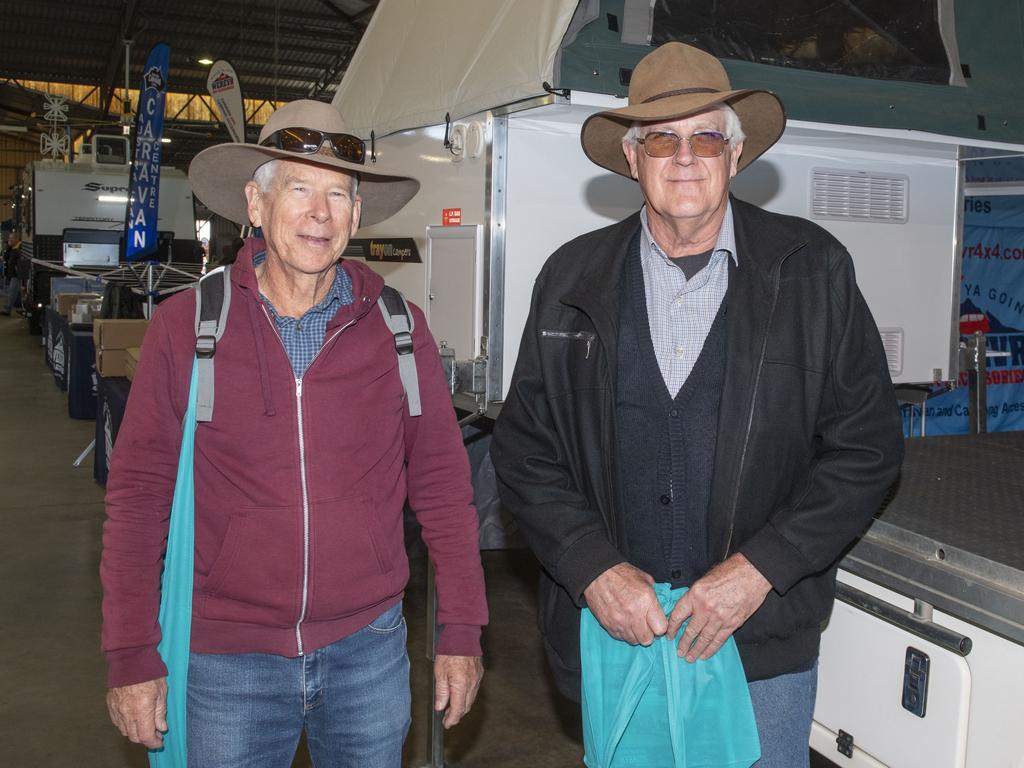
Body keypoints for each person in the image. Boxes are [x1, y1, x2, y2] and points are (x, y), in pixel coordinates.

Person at [491, 42, 903, 767]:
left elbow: (866, 448)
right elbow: (526, 448)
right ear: (632, 158)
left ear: (735, 155)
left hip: (758, 646)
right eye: (662, 139)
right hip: (618, 635)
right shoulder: (570, 279)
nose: (685, 157)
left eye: (705, 136)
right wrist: (591, 567)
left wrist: (759, 570)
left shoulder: (813, 273)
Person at [101, 99, 488, 767]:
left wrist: (462, 628)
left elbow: (445, 488)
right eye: (299, 188)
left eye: (339, 193)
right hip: (227, 665)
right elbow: (138, 498)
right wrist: (131, 651)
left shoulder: (399, 329)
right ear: (256, 204)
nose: (320, 212)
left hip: (369, 653)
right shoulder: (186, 328)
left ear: (357, 215)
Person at [1, 232, 24, 316]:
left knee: (12, 291)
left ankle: (8, 310)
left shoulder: (19, 248)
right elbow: (7, 257)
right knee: (16, 292)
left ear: (17, 239)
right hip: (13, 274)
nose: (9, 240)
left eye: (12, 238)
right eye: (9, 238)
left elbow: (19, 262)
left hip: (17, 274)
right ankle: (21, 308)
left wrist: (18, 273)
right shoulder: (13, 248)